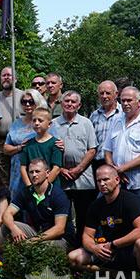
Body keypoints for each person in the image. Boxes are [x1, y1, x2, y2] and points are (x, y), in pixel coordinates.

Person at [68, 165, 140, 279]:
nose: (102, 184)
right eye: (98, 181)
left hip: (131, 250)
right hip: (108, 252)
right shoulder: (96, 205)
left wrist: (114, 244)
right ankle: (116, 276)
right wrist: (94, 248)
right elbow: (86, 236)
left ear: (117, 180)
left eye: (106, 179)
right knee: (73, 257)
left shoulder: (131, 200)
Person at [50, 91, 97, 248]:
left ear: (79, 105)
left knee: (84, 215)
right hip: (61, 178)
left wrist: (78, 168)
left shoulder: (86, 123)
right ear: (62, 104)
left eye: (73, 102)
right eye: (66, 101)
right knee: (64, 216)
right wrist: (61, 169)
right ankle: (67, 248)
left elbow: (92, 149)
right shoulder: (53, 124)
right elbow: (49, 148)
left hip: (83, 178)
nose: (69, 104)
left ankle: (84, 248)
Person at [104, 86, 140, 217]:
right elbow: (107, 150)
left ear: (139, 102)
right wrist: (115, 171)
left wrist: (120, 169)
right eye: (123, 100)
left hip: (139, 183)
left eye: (129, 100)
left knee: (139, 219)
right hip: (118, 181)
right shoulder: (116, 121)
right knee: (119, 219)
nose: (125, 103)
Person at [1, 158, 76, 251]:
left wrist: (33, 241)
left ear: (47, 173)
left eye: (37, 171)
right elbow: (6, 214)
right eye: (31, 172)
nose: (34, 175)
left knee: (38, 249)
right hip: (39, 234)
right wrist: (14, 229)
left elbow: (59, 229)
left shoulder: (58, 195)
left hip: (61, 239)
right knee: (6, 227)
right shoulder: (26, 192)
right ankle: (15, 257)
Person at [3, 89, 45, 198]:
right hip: (17, 171)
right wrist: (19, 147)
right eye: (24, 101)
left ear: (37, 102)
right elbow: (6, 148)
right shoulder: (16, 124)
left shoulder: (46, 123)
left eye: (31, 101)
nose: (27, 104)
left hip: (37, 170)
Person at [19, 107, 63, 188]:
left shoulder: (56, 144)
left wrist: (43, 187)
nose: (36, 123)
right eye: (34, 120)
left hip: (51, 188)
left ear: (49, 124)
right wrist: (30, 187)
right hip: (32, 188)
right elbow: (23, 168)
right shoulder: (28, 144)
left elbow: (56, 169)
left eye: (40, 120)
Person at [0, 67, 25, 179]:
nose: (6, 78)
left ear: (15, 79)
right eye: (4, 75)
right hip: (2, 142)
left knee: (20, 176)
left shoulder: (24, 97)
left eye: (9, 75)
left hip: (21, 142)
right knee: (3, 177)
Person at [89, 80, 122, 173]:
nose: (104, 96)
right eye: (101, 93)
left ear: (116, 94)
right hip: (97, 163)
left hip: (117, 164)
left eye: (108, 93)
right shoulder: (94, 115)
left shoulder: (123, 114)